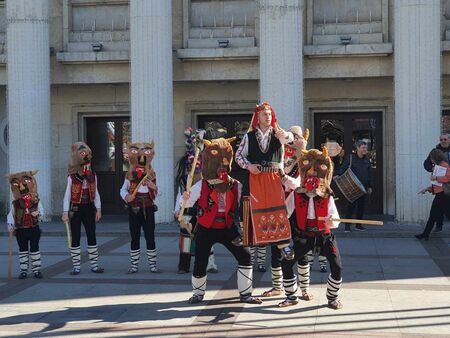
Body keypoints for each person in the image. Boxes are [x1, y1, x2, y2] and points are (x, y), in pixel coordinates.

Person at [182, 137, 262, 304]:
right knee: (200, 260)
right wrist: (185, 199)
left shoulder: (235, 185)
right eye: (218, 166)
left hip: (228, 227)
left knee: (245, 256)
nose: (221, 169)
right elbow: (185, 204)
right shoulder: (201, 185)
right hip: (206, 227)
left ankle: (246, 293)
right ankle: (197, 293)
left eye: (224, 166)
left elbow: (247, 202)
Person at [280, 147, 343, 310]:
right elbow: (284, 214)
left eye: (316, 174)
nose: (312, 176)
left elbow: (335, 219)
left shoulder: (328, 196)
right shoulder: (296, 194)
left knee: (337, 266)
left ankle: (332, 298)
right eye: (309, 174)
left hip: (324, 236)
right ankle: (291, 296)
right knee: (286, 263)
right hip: (304, 236)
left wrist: (330, 221)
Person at [235, 102, 295, 259]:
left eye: (269, 114)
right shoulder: (249, 137)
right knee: (251, 205)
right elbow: (238, 156)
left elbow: (292, 139)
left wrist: (286, 136)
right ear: (258, 117)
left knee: (277, 208)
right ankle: (250, 241)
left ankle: (283, 244)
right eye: (264, 114)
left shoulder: (278, 134)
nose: (268, 117)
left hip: (274, 177)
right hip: (255, 176)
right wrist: (248, 166)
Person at [174, 128, 218, 274]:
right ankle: (183, 265)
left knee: (207, 237)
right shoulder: (185, 175)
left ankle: (210, 264)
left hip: (204, 209)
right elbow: (180, 193)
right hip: (187, 210)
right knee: (186, 238)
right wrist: (177, 210)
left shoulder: (208, 175)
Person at [62, 142, 103, 275]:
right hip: (76, 209)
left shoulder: (93, 176)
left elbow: (96, 193)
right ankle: (76, 267)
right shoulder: (72, 177)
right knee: (76, 237)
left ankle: (95, 266)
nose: (87, 166)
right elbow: (67, 195)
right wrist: (65, 212)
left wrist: (98, 209)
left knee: (91, 235)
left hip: (89, 207)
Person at [120, 141, 159, 273]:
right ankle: (134, 266)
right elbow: (122, 190)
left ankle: (153, 266)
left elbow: (159, 193)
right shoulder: (129, 175)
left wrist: (154, 187)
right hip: (134, 208)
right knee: (134, 236)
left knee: (150, 236)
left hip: (148, 208)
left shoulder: (152, 174)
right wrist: (126, 197)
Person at [7, 170, 45, 279]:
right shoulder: (15, 203)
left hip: (33, 228)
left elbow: (42, 211)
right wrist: (10, 224)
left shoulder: (36, 201)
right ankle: (24, 270)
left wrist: (37, 213)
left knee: (35, 248)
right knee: (22, 249)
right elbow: (11, 214)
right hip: (21, 230)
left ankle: (36, 270)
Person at [336, 140, 373, 232]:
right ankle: (347, 227)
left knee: (361, 207)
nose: (365, 149)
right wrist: (339, 174)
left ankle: (358, 225)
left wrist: (370, 186)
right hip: (352, 186)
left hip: (363, 187)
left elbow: (369, 174)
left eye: (366, 148)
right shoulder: (350, 158)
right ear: (358, 148)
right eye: (363, 147)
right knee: (350, 207)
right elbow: (344, 167)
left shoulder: (367, 160)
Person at [416, 149, 450, 240]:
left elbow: (447, 178)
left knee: (440, 215)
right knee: (433, 216)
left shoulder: (444, 165)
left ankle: (425, 234)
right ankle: (425, 234)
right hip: (440, 194)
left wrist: (436, 177)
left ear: (435, 157)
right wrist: (427, 189)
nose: (430, 159)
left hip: (444, 196)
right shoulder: (438, 166)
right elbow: (437, 184)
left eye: (431, 157)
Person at [423, 134, 450, 233]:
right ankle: (438, 225)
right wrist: (432, 168)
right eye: (441, 139)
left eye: (445, 139)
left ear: (449, 140)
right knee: (440, 207)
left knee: (441, 207)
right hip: (440, 183)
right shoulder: (435, 151)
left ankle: (427, 232)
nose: (443, 141)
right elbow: (426, 163)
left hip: (446, 181)